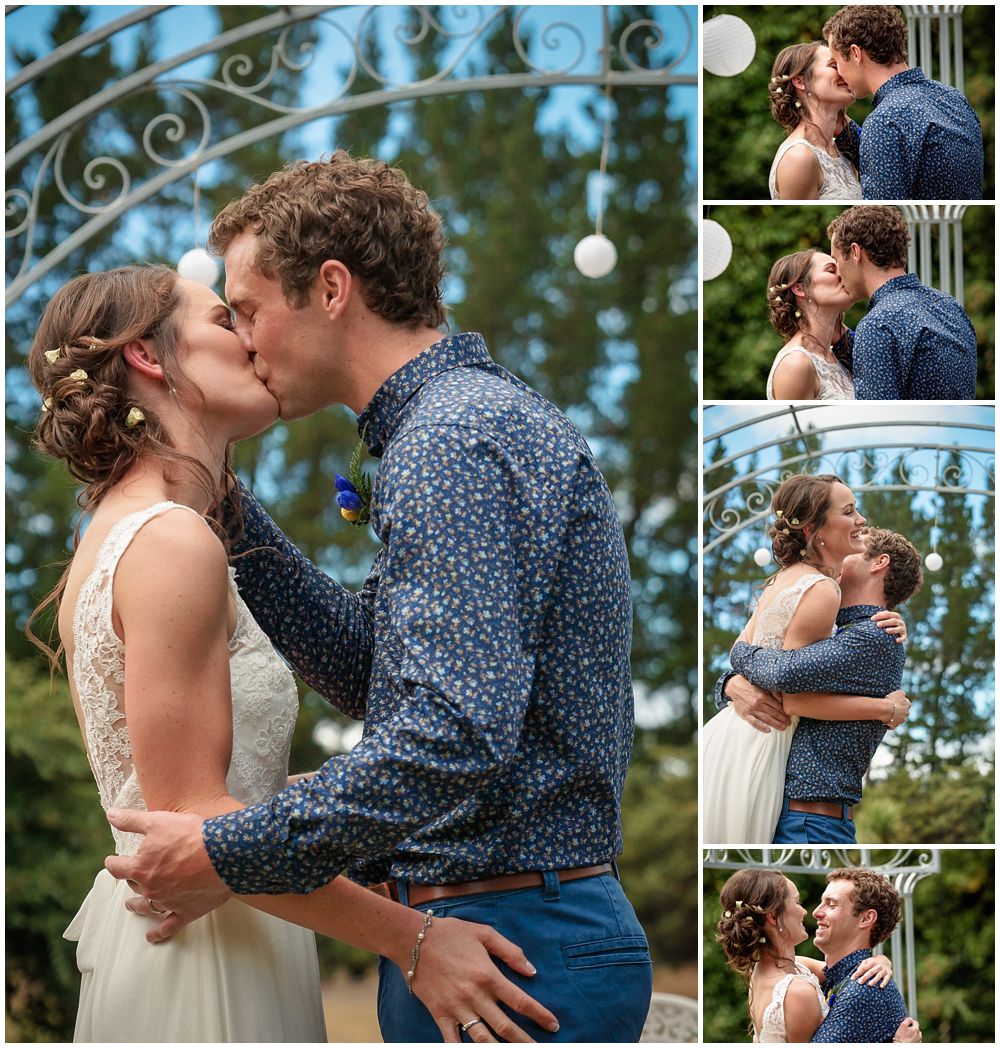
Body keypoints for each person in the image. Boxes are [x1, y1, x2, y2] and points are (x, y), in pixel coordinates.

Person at [101, 153, 653, 1043]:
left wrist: (227, 849)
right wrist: (223, 504)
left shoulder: (453, 439)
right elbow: (386, 677)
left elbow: (451, 729)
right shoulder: (449, 427)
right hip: (502, 929)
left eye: (247, 309)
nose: (243, 340)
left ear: (329, 289)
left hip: (516, 944)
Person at [26, 265, 559, 1043]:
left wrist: (382, 793)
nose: (248, 338)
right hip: (207, 953)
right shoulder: (171, 540)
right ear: (148, 356)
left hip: (235, 919)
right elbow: (192, 823)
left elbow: (228, 792)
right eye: (222, 319)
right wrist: (413, 941)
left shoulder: (136, 530)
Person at [702, 475, 908, 845]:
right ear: (816, 530)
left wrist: (736, 665)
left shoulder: (789, 580)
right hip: (763, 738)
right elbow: (789, 686)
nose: (860, 520)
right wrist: (883, 708)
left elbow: (762, 659)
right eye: (849, 511)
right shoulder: (822, 590)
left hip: (737, 736)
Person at [715, 868, 921, 1043]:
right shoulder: (797, 981)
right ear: (771, 916)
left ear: (867, 918)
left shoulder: (863, 987)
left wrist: (881, 959)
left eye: (831, 904)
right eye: (797, 902)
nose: (812, 912)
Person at [824, 5, 984, 201]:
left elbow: (883, 208)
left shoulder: (886, 120)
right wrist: (843, 130)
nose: (838, 72)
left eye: (836, 62)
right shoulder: (954, 97)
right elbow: (901, 164)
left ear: (856, 53)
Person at [827, 206, 978, 400]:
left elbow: (879, 418)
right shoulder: (950, 306)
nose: (838, 272)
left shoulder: (878, 324)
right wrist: (839, 336)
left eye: (836, 260)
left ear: (855, 252)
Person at [767, 42, 862, 201]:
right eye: (833, 65)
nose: (844, 71)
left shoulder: (842, 149)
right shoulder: (799, 157)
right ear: (800, 82)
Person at [764, 250, 856, 400]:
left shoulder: (840, 355)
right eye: (831, 270)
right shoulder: (795, 364)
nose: (843, 275)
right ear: (799, 289)